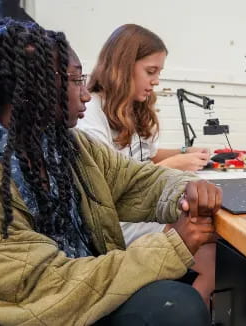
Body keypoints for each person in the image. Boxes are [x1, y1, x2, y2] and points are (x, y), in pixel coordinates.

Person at [0, 18, 221, 326]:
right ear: (33, 86)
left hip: (91, 288)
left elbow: (136, 180)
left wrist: (185, 189)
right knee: (177, 306)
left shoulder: (71, 147)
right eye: (74, 80)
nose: (85, 95)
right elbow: (48, 285)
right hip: (47, 308)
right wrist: (171, 245)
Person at [77, 24, 215, 306]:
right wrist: (175, 165)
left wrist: (185, 152)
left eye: (159, 73)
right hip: (117, 220)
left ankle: (195, 303)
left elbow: (147, 156)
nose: (156, 81)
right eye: (150, 72)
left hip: (140, 210)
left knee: (210, 235)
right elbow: (108, 184)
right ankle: (187, 307)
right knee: (208, 241)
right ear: (123, 66)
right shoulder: (91, 113)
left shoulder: (134, 109)